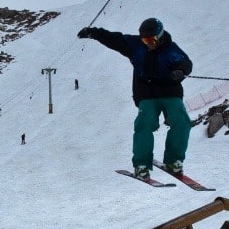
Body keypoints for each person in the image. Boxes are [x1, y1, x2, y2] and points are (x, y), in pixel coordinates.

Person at [78, 17, 193, 178]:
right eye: (144, 39)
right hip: (146, 94)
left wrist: (180, 71)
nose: (148, 43)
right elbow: (114, 39)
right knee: (145, 123)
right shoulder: (136, 46)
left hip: (170, 92)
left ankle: (174, 161)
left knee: (181, 122)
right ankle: (141, 165)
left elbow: (186, 63)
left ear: (159, 36)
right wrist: (93, 33)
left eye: (151, 39)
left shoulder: (171, 49)